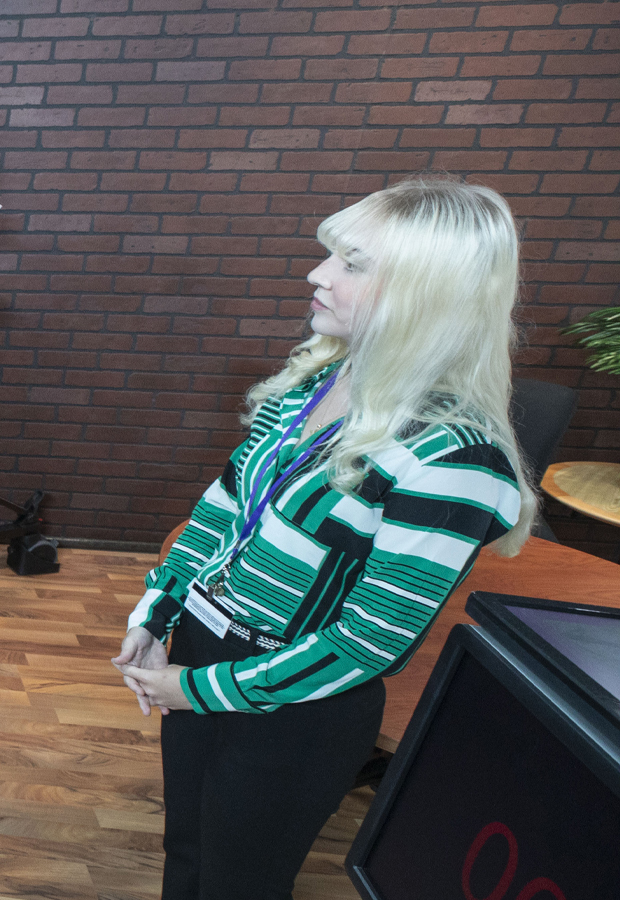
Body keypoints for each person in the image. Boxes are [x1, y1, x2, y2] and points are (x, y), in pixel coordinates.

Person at [112, 178, 536, 900]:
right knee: (187, 851)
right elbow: (223, 507)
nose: (318, 274)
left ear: (427, 295)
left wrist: (203, 690)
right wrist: (159, 610)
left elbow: (371, 641)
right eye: (329, 255)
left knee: (237, 882)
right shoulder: (320, 378)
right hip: (205, 655)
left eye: (352, 263)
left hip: (296, 705)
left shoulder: (454, 459)